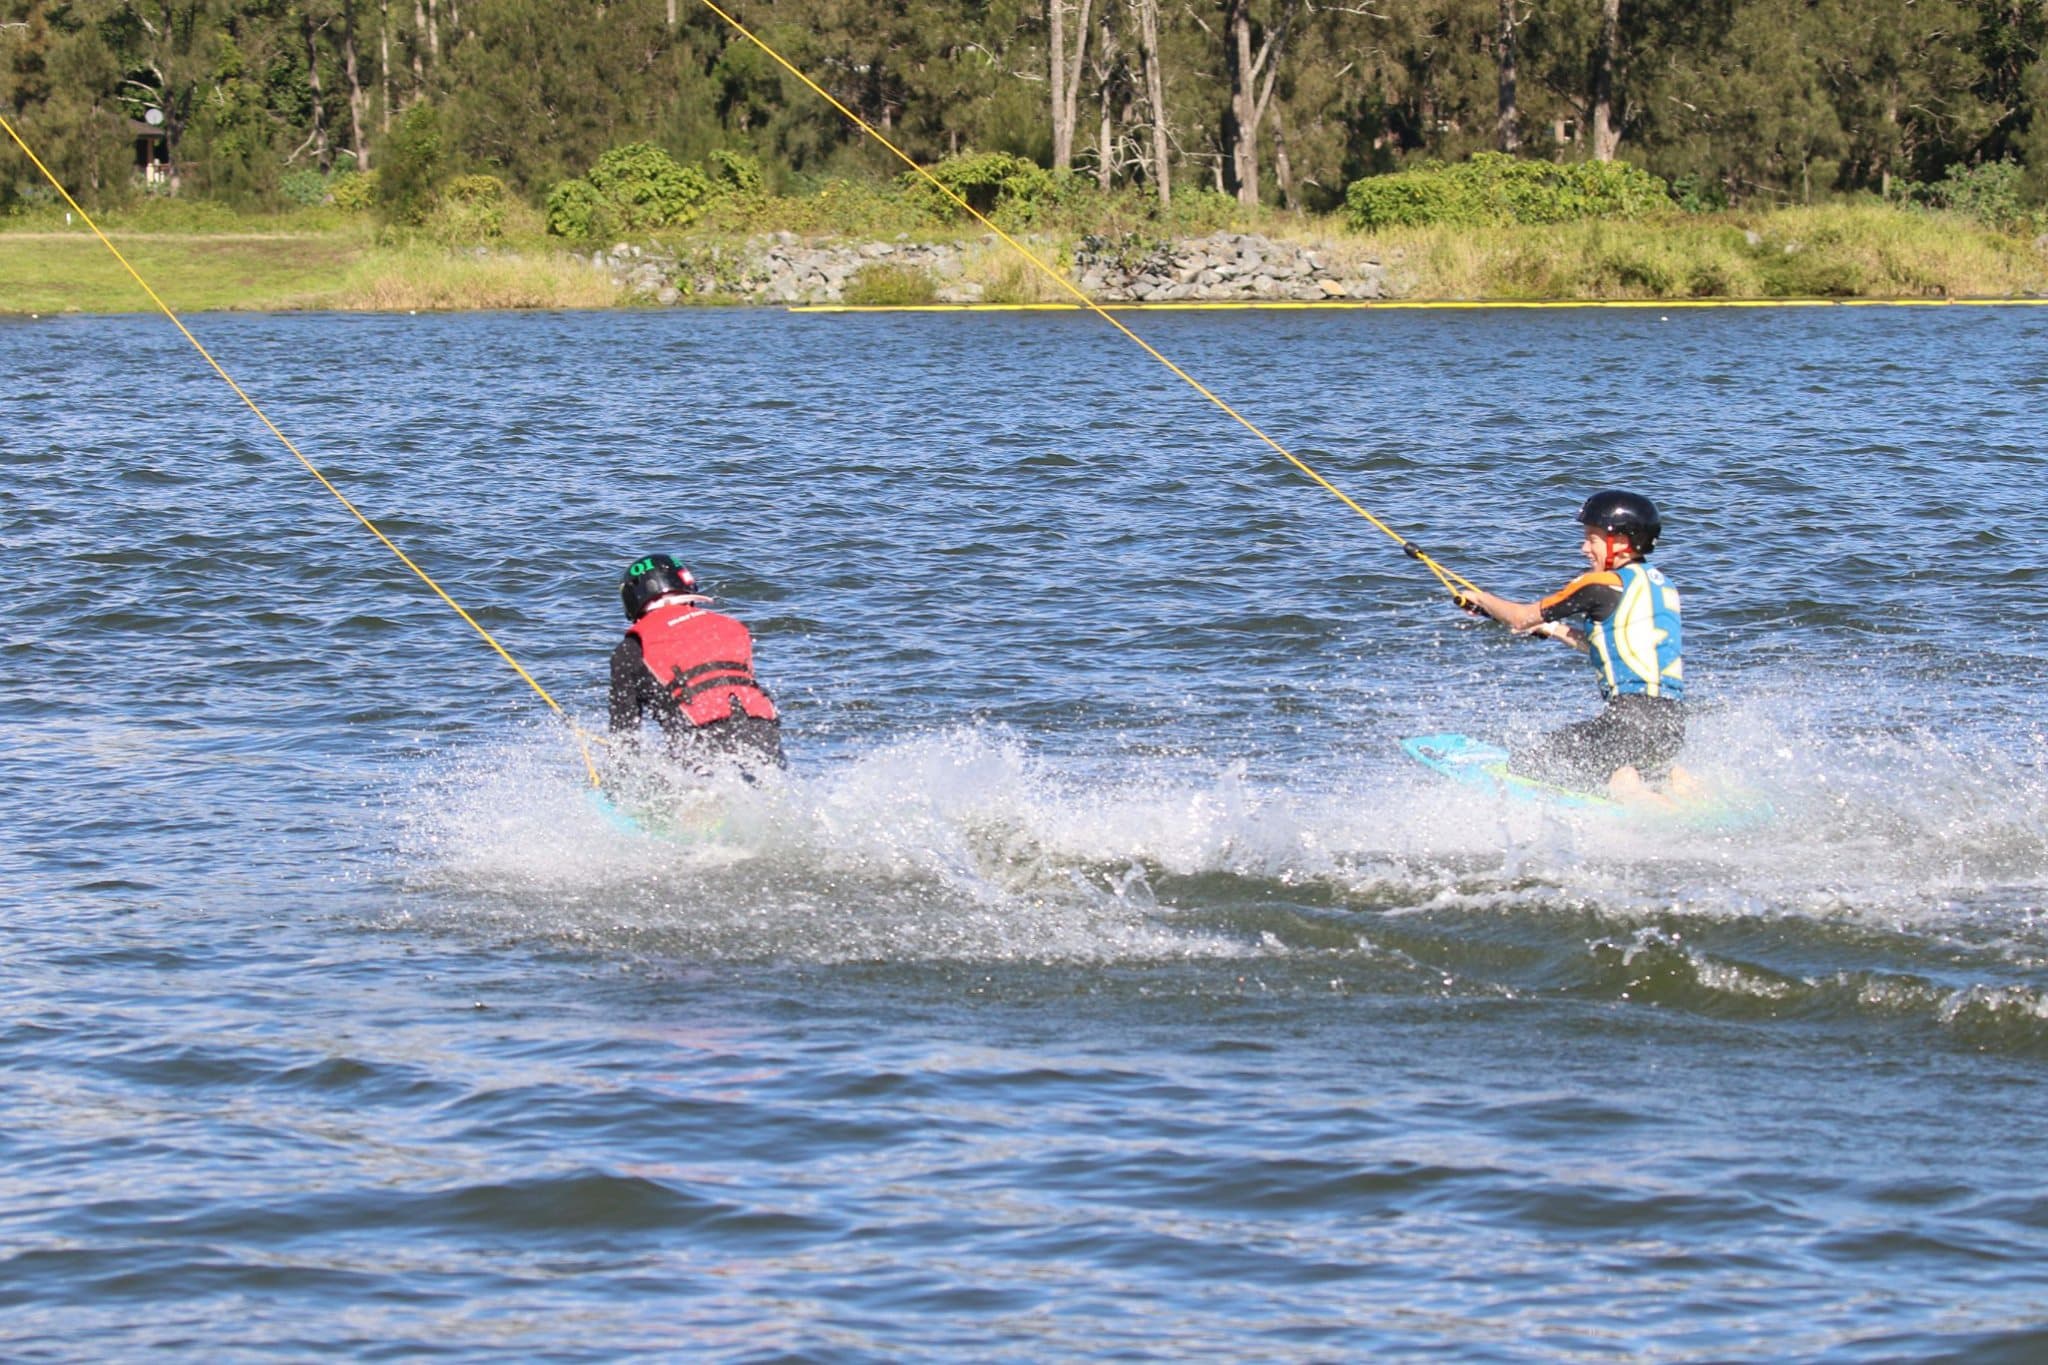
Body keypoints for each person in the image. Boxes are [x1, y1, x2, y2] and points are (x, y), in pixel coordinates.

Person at [1452, 491, 1685, 796]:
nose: (1584, 548)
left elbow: (1521, 618)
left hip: (1628, 720)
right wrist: (1554, 630)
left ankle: (1655, 817)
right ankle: (1690, 794)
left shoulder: (1599, 584)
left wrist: (1483, 599)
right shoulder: (1661, 585)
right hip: (1671, 725)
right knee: (1662, 774)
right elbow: (1610, 647)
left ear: (1623, 543)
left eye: (1593, 539)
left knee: (1531, 763)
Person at [609, 554, 784, 773]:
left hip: (701, 743)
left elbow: (624, 735)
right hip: (764, 733)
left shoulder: (631, 650)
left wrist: (614, 783)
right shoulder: (730, 626)